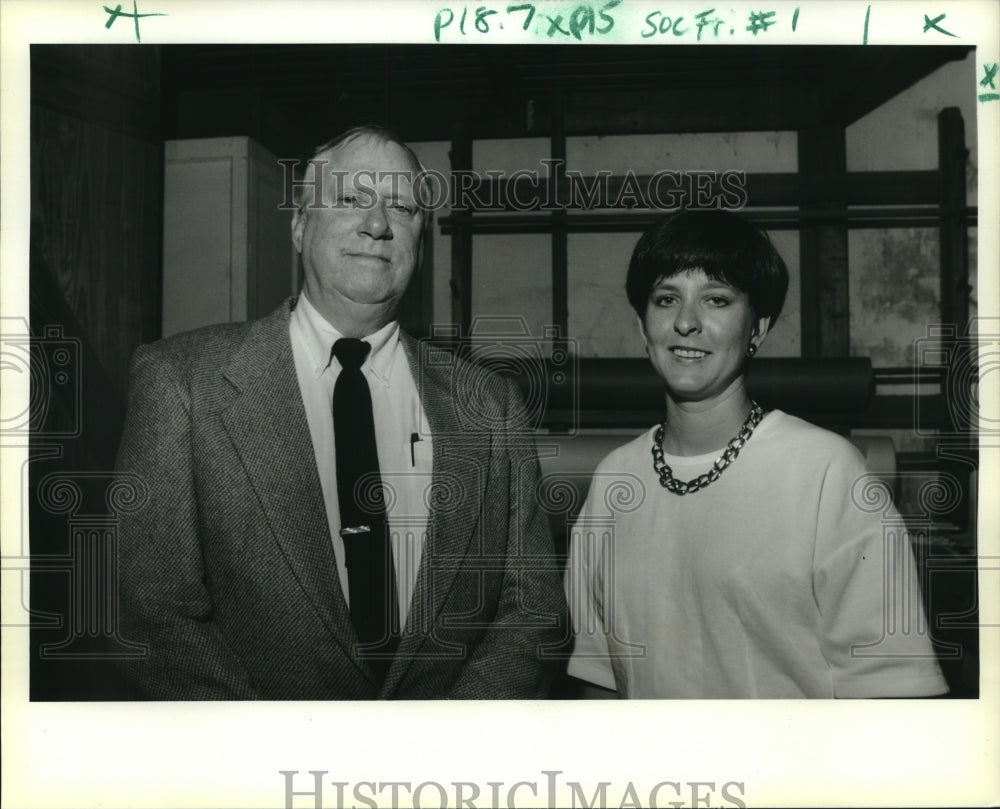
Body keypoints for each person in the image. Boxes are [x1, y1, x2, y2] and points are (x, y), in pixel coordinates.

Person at [115, 125, 567, 700]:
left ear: (419, 242)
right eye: (351, 199)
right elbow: (151, 614)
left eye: (401, 207)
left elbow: (533, 606)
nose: (377, 224)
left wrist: (451, 743)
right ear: (300, 227)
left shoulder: (489, 405)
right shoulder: (182, 382)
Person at [565, 209, 948, 699]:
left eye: (716, 300)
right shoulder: (614, 478)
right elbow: (599, 677)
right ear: (643, 328)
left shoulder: (826, 473)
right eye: (666, 299)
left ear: (758, 330)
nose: (686, 322)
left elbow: (895, 692)